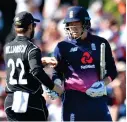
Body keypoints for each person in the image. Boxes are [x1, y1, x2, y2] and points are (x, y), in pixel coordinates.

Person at [42, 6, 118, 121]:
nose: (73, 27)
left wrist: (103, 83)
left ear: (85, 23)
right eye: (70, 24)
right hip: (73, 102)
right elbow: (58, 73)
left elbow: (112, 71)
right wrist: (56, 84)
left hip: (97, 101)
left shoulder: (100, 43)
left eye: (76, 23)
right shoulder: (62, 47)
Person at [3, 11, 63, 121]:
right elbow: (36, 71)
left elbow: (21, 65)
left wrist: (42, 61)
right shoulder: (32, 48)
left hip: (11, 101)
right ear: (30, 26)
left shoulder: (7, 48)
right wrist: (55, 88)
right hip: (30, 102)